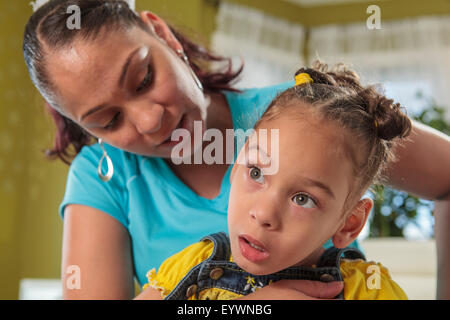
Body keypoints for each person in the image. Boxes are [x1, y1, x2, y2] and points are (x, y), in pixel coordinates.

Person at [22, 0, 450, 299]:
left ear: (162, 34)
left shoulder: (311, 115)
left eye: (144, 79)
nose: (150, 120)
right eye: (108, 121)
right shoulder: (103, 178)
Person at [135, 65, 409, 300]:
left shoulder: (367, 288)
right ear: (236, 165)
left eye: (303, 199)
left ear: (349, 223)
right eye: (256, 173)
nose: (264, 214)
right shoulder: (195, 265)